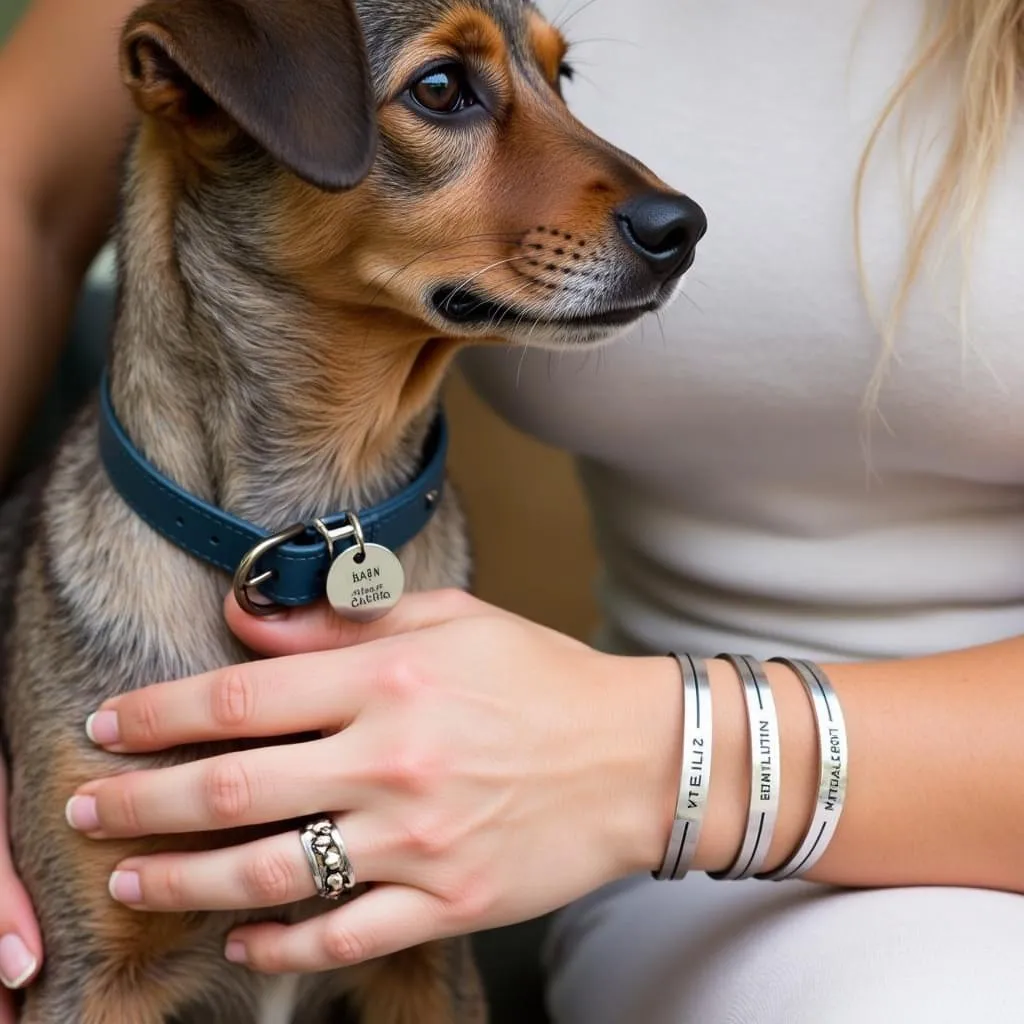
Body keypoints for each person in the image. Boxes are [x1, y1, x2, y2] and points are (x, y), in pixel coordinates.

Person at [4, 0, 1024, 1021]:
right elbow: (27, 196)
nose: (652, 206)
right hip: (665, 876)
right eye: (446, 92)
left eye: (553, 82)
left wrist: (651, 753)